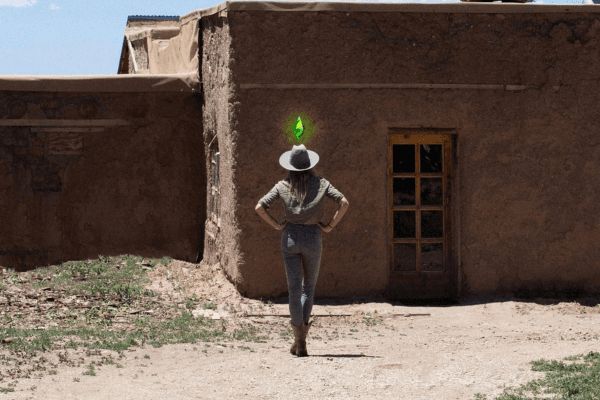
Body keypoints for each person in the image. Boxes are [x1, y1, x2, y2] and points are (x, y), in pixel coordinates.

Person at [255, 144, 349, 357]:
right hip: (313, 237)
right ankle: (301, 340)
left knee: (294, 290)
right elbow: (344, 202)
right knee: (309, 288)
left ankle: (298, 340)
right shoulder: (322, 184)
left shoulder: (282, 186)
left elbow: (259, 207)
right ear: (309, 164)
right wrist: (329, 226)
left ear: (290, 166)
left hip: (290, 237)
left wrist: (277, 225)